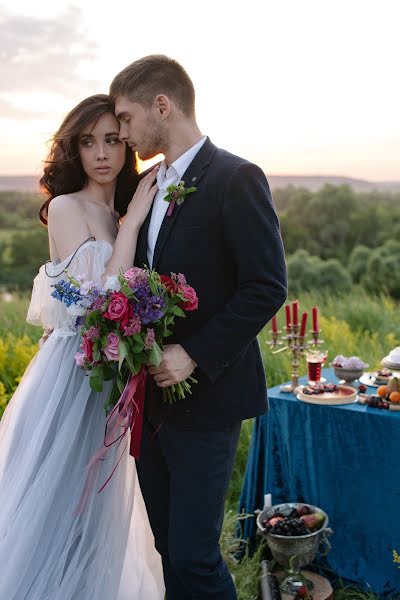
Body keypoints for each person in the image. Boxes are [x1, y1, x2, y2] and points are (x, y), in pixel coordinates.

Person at [110, 55, 288, 600]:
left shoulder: (236, 177)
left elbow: (266, 285)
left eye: (125, 118)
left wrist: (193, 353)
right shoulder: (144, 184)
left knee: (196, 556)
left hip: (209, 399)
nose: (121, 133)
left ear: (161, 106)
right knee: (165, 548)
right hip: (150, 400)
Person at [0, 94, 165, 600]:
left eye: (112, 140)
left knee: (96, 511)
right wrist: (133, 221)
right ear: (75, 149)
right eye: (88, 142)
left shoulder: (117, 210)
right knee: (56, 505)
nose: (101, 153)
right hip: (70, 377)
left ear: (126, 145)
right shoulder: (68, 207)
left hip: (111, 378)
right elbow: (99, 302)